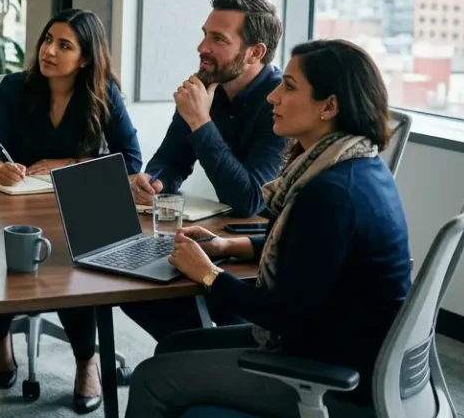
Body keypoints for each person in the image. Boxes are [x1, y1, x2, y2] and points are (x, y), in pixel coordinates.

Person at [125, 39, 410, 418]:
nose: (273, 97)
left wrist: (208, 274)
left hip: (335, 376)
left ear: (330, 106)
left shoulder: (330, 193)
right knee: (175, 346)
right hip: (347, 349)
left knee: (150, 377)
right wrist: (229, 245)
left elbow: (282, 315)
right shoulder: (356, 166)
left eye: (289, 86)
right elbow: (314, 255)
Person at [0, 8, 141, 414]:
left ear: (85, 58)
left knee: (75, 273)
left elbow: (131, 160)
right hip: (14, 202)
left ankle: (87, 362)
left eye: (64, 45)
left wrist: (69, 164)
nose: (48, 51)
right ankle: (0, 336)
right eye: (47, 40)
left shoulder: (103, 94)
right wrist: (2, 168)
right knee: (6, 263)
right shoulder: (15, 88)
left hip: (72, 203)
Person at [122, 0, 288, 341]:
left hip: (270, 248)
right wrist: (153, 181)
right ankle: (200, 355)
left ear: (255, 52)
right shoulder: (206, 85)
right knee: (131, 281)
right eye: (204, 34)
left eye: (218, 39)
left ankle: (206, 356)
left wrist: (200, 120)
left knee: (162, 285)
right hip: (222, 235)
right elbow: (171, 158)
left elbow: (250, 200)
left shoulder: (281, 103)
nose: (202, 47)